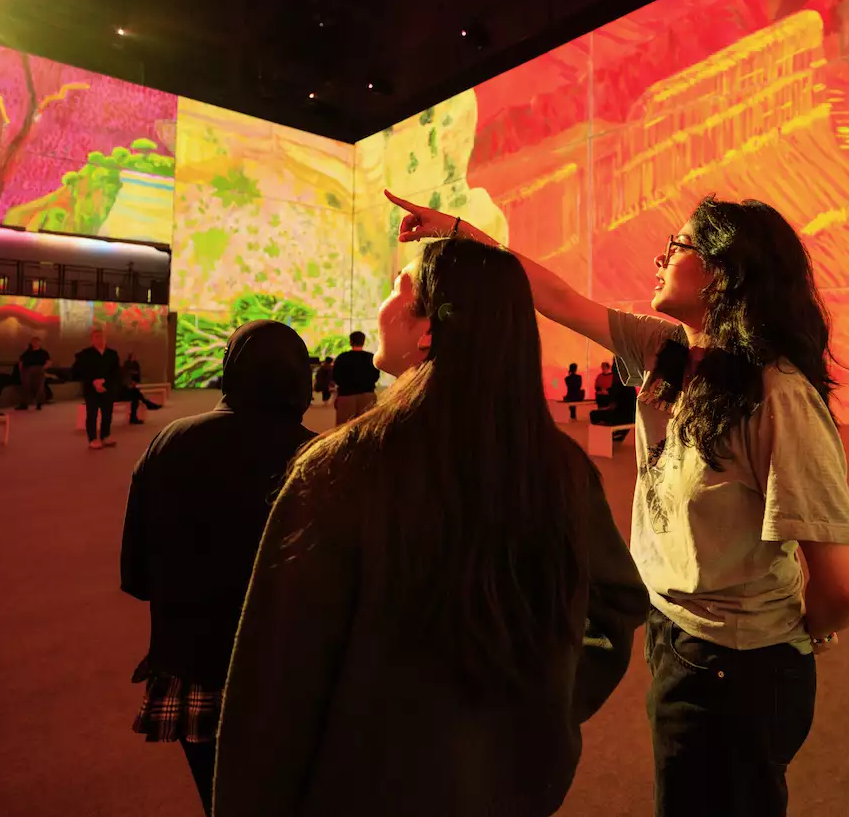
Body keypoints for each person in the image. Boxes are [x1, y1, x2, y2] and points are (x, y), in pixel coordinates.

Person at [385, 190, 849, 817]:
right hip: (675, 635)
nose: (661, 259)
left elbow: (848, 587)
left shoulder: (778, 396)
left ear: (724, 270)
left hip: (738, 668)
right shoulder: (665, 351)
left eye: (678, 247)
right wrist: (458, 232)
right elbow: (557, 298)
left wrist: (793, 632)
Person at [213, 239, 648, 817]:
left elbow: (274, 684)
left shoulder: (341, 469)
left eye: (400, 287)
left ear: (427, 332)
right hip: (518, 787)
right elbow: (614, 606)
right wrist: (546, 705)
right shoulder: (562, 470)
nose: (385, 302)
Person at [121, 321, 317, 816]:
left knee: (221, 800)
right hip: (292, 676)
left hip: (195, 672)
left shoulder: (169, 442)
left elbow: (136, 576)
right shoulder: (322, 457)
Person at [72, 326, 122, 449]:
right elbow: (78, 371)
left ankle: (105, 435)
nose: (99, 339)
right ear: (92, 340)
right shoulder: (84, 354)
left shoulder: (112, 354)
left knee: (107, 413)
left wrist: (105, 382)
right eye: (96, 337)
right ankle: (93, 438)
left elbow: (116, 372)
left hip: (107, 388)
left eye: (102, 337)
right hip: (91, 389)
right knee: (92, 414)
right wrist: (93, 381)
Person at [331, 331, 380, 425]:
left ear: (350, 342)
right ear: (364, 341)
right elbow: (376, 376)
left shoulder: (342, 357)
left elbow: (336, 377)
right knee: (365, 427)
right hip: (367, 395)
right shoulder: (371, 357)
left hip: (346, 395)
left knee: (344, 429)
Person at [18, 337, 51, 411]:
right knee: (25, 386)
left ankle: (39, 403)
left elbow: (48, 362)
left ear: (39, 343)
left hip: (38, 369)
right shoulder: (28, 352)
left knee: (39, 386)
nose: (34, 343)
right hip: (27, 369)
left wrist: (43, 368)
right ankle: (24, 403)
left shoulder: (43, 352)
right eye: (33, 342)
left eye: (36, 342)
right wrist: (21, 370)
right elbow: (21, 361)